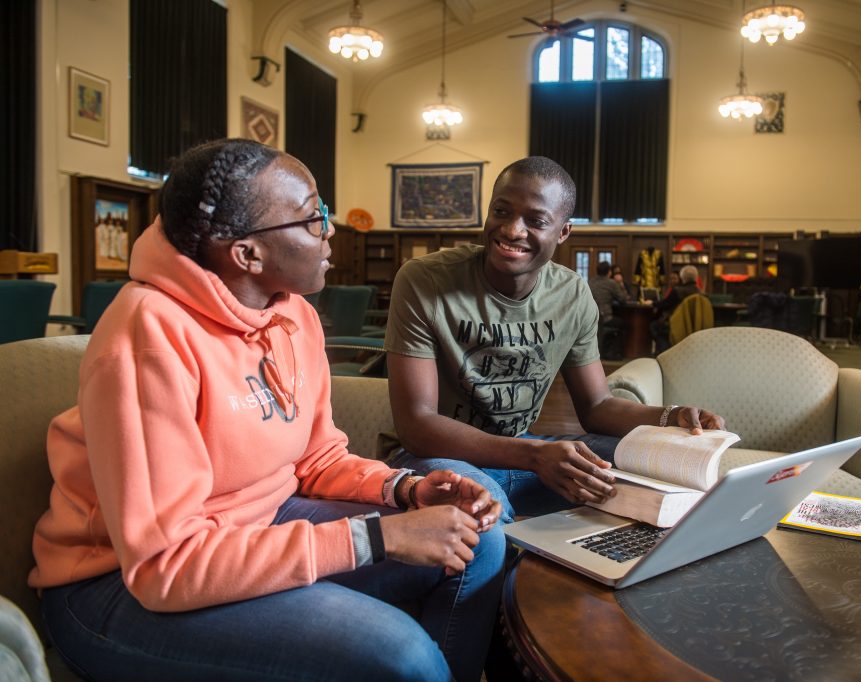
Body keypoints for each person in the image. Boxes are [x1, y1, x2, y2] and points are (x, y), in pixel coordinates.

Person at [29, 139, 504, 682]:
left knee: (477, 540)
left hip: (261, 525)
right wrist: (377, 537)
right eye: (312, 218)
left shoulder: (293, 314)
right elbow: (165, 566)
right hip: (118, 583)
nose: (330, 232)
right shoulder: (148, 337)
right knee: (402, 657)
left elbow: (318, 458)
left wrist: (405, 489)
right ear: (247, 254)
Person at [385, 156, 723, 523]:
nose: (513, 230)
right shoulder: (425, 280)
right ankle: (519, 571)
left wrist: (670, 417)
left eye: (536, 221)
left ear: (563, 232)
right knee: (480, 516)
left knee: (658, 478)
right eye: (501, 211)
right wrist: (533, 455)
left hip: (524, 448)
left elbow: (597, 405)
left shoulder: (572, 296)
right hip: (435, 457)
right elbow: (416, 426)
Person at [650, 265, 702, 353]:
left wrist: (652, 303)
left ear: (682, 277)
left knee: (654, 326)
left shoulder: (677, 291)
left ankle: (666, 353)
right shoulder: (700, 293)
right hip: (694, 326)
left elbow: (664, 304)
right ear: (696, 277)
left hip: (675, 324)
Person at [587, 260, 628, 359]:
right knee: (624, 324)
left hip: (591, 318)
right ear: (609, 272)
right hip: (606, 318)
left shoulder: (590, 282)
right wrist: (621, 284)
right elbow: (623, 299)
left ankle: (606, 349)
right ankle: (616, 353)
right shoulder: (611, 283)